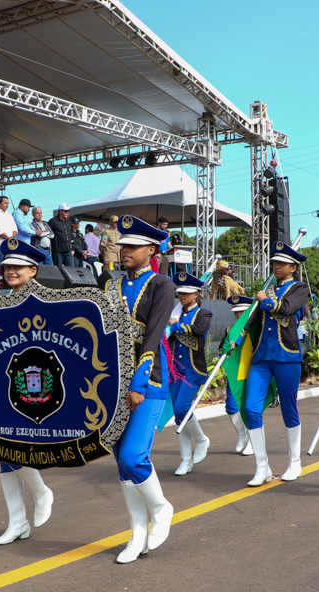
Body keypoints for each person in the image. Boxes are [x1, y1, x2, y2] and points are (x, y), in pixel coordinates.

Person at [107, 214, 175, 564]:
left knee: (134, 456)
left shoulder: (162, 286)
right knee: (121, 464)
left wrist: (138, 383)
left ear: (152, 249)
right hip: (110, 386)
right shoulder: (111, 286)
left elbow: (153, 335)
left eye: (132, 246)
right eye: (123, 246)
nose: (125, 251)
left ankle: (161, 508)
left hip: (147, 382)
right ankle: (136, 531)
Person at [227, 241, 310, 486]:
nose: (276, 266)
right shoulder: (266, 288)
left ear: (293, 267)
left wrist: (265, 300)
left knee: (288, 409)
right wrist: (237, 338)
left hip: (286, 357)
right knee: (251, 409)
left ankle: (295, 462)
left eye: (282, 263)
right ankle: (262, 467)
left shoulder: (299, 288)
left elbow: (286, 308)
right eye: (274, 262)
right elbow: (251, 319)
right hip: (261, 358)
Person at [0, 238, 56, 545]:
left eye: (17, 267)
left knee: (16, 451)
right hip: (8, 385)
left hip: (40, 389)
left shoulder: (49, 301)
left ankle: (42, 492)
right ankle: (17, 523)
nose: (10, 272)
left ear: (33, 270)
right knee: (2, 453)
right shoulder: (2, 303)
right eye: (6, 267)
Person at [167, 271, 213, 476]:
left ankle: (202, 440)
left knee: (182, 407)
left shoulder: (204, 313)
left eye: (186, 293)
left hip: (193, 370)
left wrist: (175, 325)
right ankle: (186, 460)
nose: (182, 296)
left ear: (196, 294)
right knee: (178, 415)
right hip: (175, 370)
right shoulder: (174, 313)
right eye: (180, 293)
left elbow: (198, 330)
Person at [223, 295, 253, 456]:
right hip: (236, 372)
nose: (238, 315)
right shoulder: (230, 330)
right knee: (231, 407)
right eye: (236, 312)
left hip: (252, 371)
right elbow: (223, 349)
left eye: (241, 312)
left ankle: (253, 440)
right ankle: (243, 436)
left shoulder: (255, 328)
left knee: (249, 407)